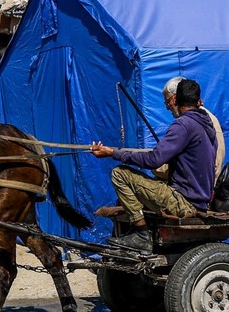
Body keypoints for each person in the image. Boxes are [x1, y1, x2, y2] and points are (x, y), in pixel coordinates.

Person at [90, 78, 217, 252]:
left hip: (184, 202)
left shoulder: (183, 125)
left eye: (168, 102)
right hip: (200, 199)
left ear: (175, 100)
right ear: (199, 101)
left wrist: (113, 153)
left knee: (120, 174)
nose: (167, 106)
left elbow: (154, 160)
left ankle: (141, 234)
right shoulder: (206, 125)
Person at [156, 76, 226, 181]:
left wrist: (156, 165)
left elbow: (203, 166)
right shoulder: (202, 118)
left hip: (194, 187)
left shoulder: (193, 122)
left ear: (176, 98)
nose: (167, 107)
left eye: (168, 101)